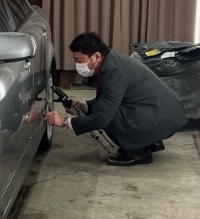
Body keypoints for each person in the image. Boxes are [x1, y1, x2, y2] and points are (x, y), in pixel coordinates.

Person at [45, 32, 187, 166]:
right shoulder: (111, 61)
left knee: (108, 116)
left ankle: (136, 152)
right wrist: (84, 106)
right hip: (159, 113)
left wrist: (64, 122)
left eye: (79, 60)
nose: (77, 65)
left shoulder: (112, 71)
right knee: (104, 108)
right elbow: (108, 98)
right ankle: (149, 142)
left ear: (97, 56)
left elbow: (102, 118)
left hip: (159, 118)